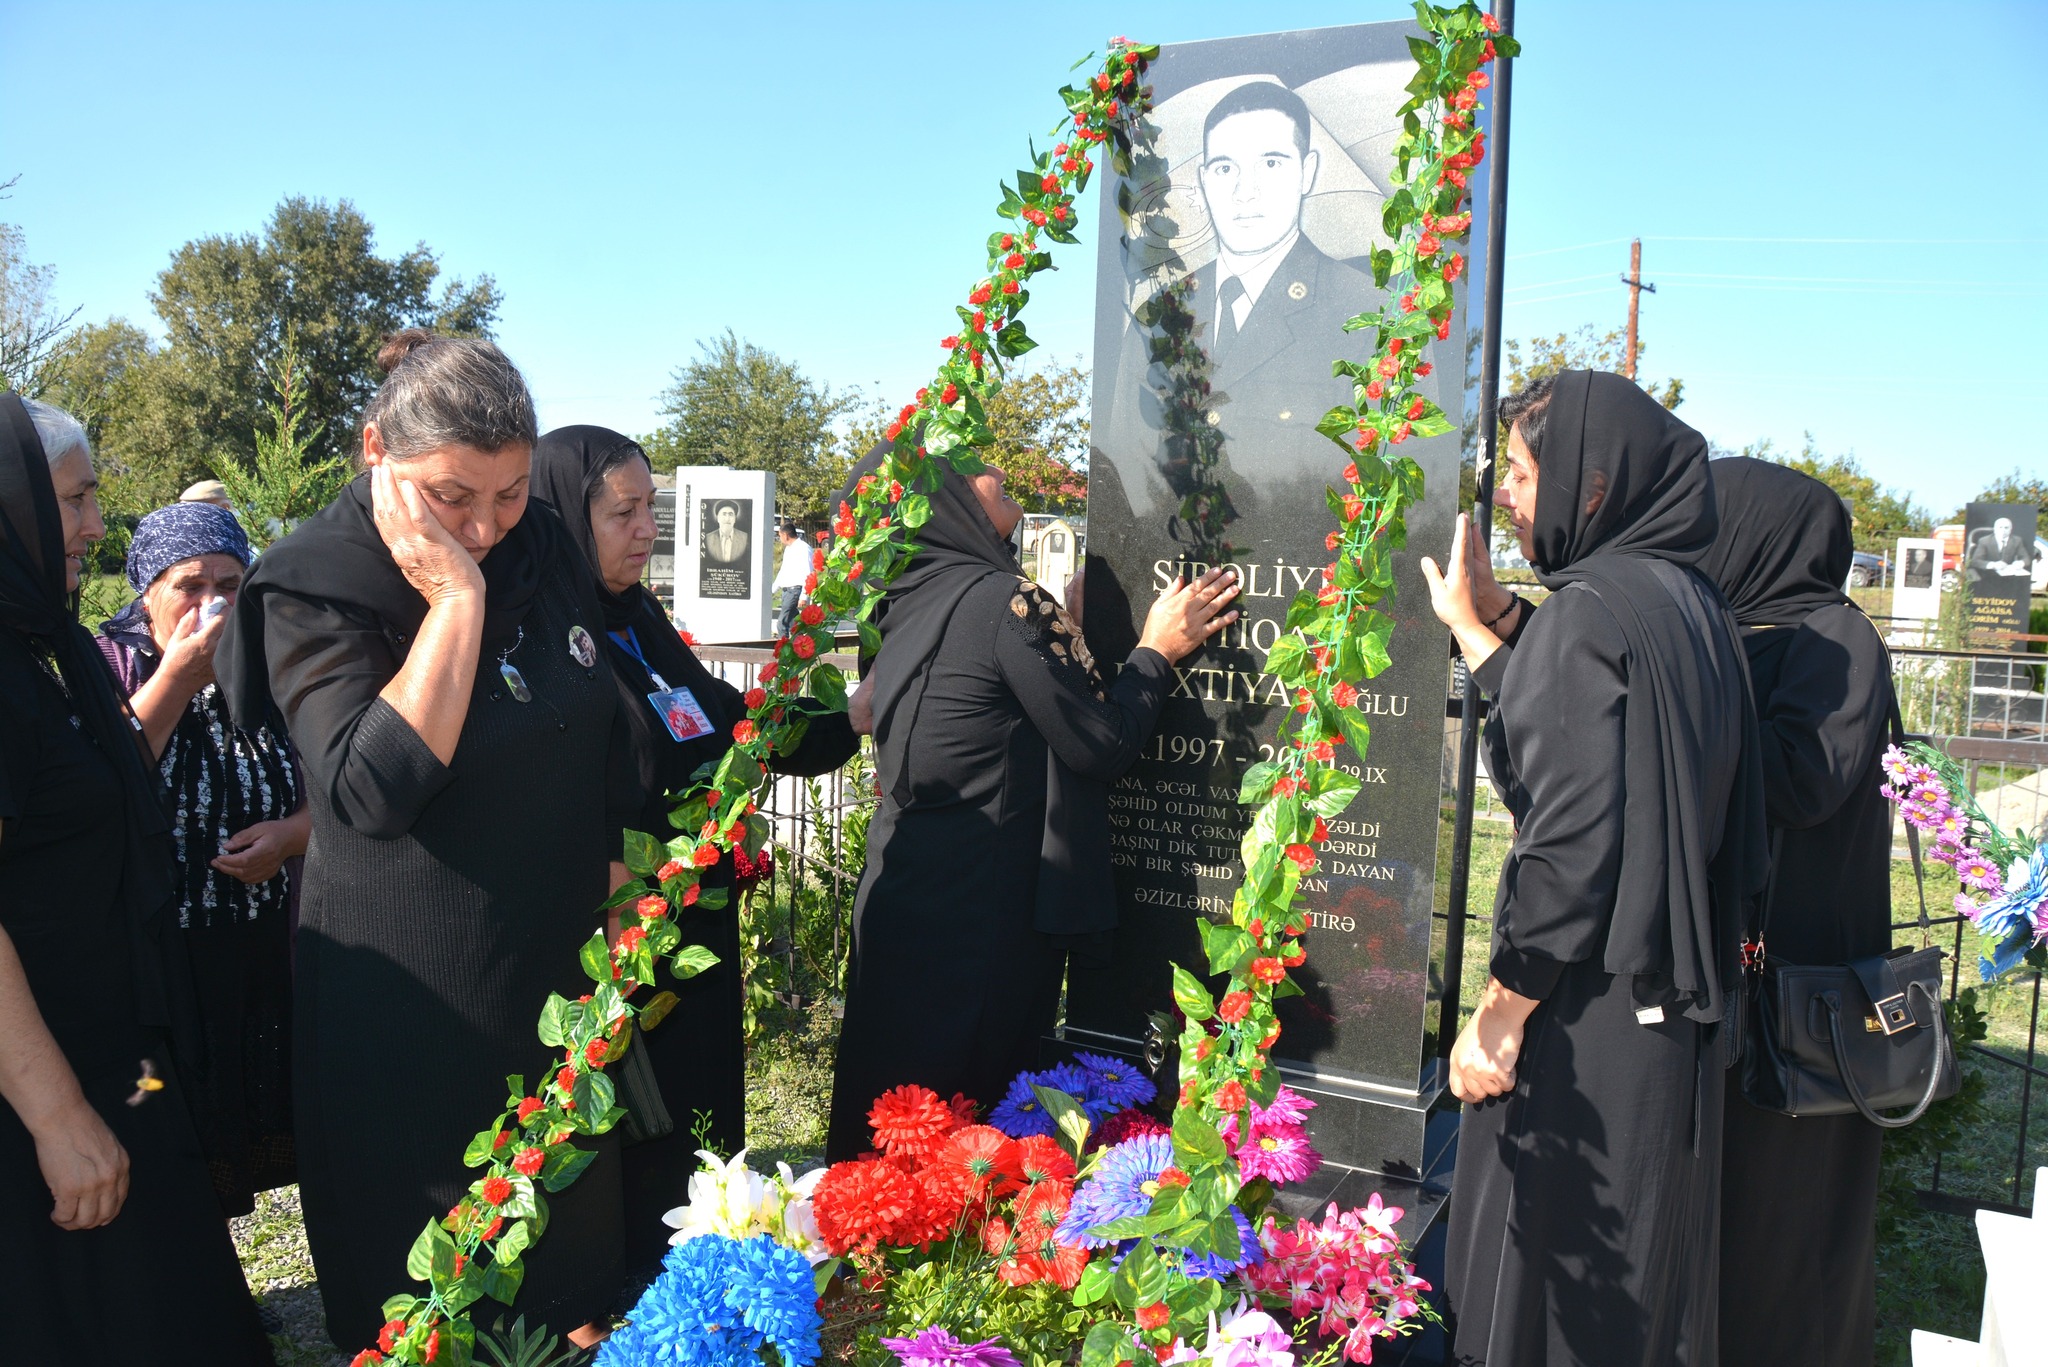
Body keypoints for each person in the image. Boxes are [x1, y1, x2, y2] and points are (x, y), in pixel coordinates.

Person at [219, 331, 629, 1348]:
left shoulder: (538, 543)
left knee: (563, 1269)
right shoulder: (319, 582)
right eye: (452, 495)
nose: (486, 525)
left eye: (510, 492)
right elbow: (371, 786)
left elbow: (594, 718)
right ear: (374, 452)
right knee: (437, 1292)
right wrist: (453, 598)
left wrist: (612, 872)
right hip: (413, 1012)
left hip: (552, 979)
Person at [1420, 371, 1767, 1366]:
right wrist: (1486, 622)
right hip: (1663, 1006)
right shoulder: (1679, 599)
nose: (1511, 501)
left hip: (1584, 1009)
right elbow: (1592, 735)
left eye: (1523, 475)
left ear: (1589, 478)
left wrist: (1496, 1014)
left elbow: (1570, 840)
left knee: (1546, 1290)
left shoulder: (1589, 613)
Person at [825, 446, 1240, 1159]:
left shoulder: (900, 602)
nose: (996, 467)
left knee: (893, 1135)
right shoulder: (1000, 599)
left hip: (900, 908)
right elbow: (1099, 742)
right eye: (973, 464)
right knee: (962, 1147)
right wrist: (1156, 652)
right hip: (979, 925)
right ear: (948, 498)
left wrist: (1069, 636)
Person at [529, 425, 858, 1281]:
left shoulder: (640, 620)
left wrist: (849, 719)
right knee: (630, 1129)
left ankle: (690, 1272)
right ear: (566, 516)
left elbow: (728, 719)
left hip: (691, 924)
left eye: (653, 510)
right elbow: (550, 787)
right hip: (619, 935)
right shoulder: (546, 634)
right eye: (623, 511)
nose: (647, 531)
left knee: (697, 1107)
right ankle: (628, 1285)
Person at [0, 394, 273, 1364]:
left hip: (126, 1053)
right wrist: (57, 1112)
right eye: (71, 501)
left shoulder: (46, 649)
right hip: (45, 1080)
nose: (91, 526)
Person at [1698, 458, 1896, 1367]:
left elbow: (1802, 779)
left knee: (1788, 1223)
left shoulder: (1838, 638)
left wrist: (1691, 707)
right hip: (1742, 974)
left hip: (1808, 989)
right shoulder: (1740, 630)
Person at [95, 503, 305, 1224]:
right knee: (167, 1115)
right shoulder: (111, 666)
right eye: (189, 583)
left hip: (259, 944)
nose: (212, 600)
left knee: (245, 1115)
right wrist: (180, 678)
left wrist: (290, 835)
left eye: (230, 581)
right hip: (158, 957)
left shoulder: (274, 663)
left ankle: (229, 1286)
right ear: (147, 591)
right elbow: (101, 787)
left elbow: (338, 788)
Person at [771, 521, 809, 636]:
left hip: (795, 590)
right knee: (795, 625)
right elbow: (784, 572)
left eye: (780, 535)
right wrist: (772, 589)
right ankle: (799, 649)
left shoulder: (803, 548)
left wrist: (804, 596)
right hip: (787, 591)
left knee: (782, 623)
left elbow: (808, 572)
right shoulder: (789, 549)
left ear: (785, 535)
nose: (779, 538)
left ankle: (784, 649)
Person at [704, 500, 748, 565]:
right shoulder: (708, 538)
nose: (727, 519)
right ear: (717, 518)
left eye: (731, 514)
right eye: (724, 514)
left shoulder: (745, 538)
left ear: (735, 518)